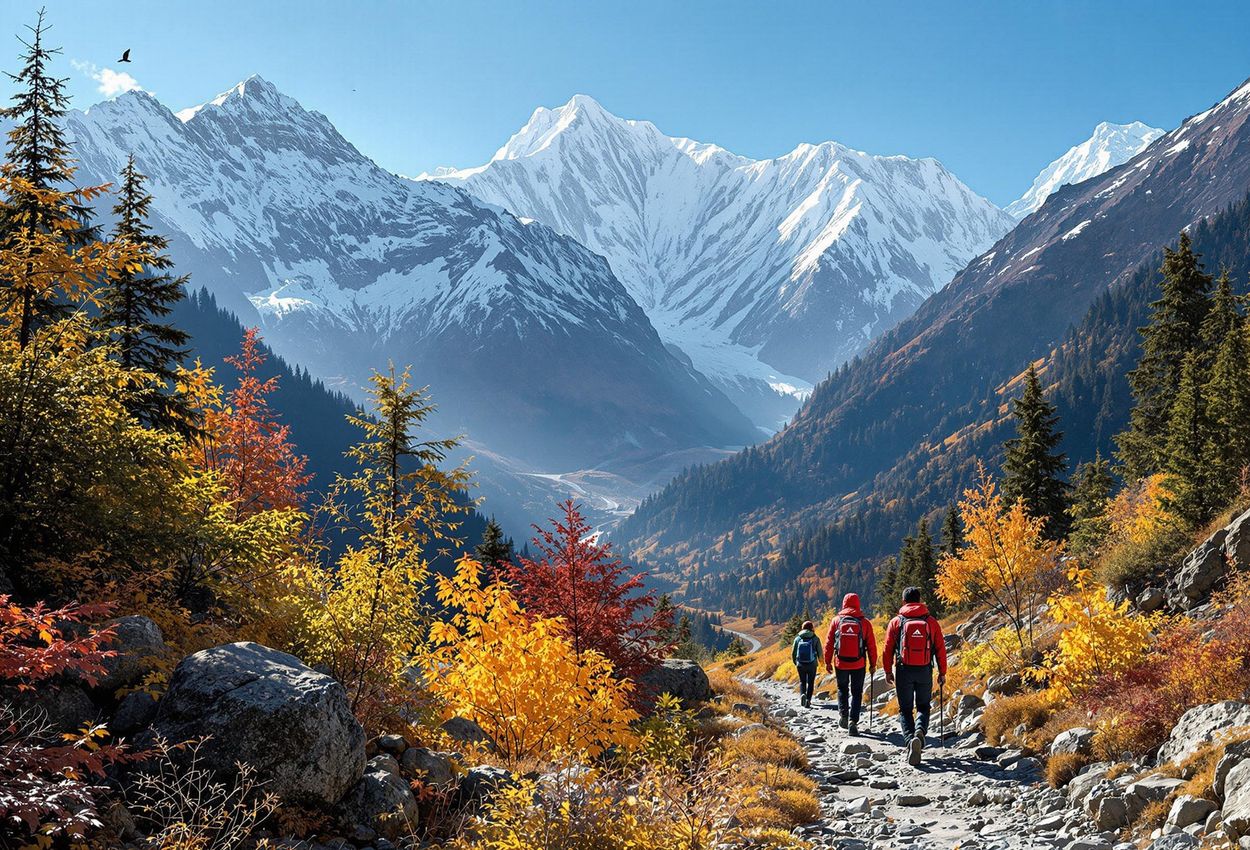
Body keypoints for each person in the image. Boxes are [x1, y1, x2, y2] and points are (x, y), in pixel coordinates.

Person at [882, 586, 947, 766]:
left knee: (905, 709)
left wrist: (887, 671)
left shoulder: (897, 622)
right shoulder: (931, 621)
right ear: (920, 601)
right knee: (923, 706)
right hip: (925, 669)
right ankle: (920, 730)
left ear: (904, 601)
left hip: (904, 669)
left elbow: (887, 649)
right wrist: (942, 672)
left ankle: (911, 741)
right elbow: (940, 648)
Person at [823, 592, 877, 736]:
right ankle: (853, 720)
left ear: (844, 604)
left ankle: (844, 716)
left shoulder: (836, 621)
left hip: (840, 662)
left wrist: (827, 661)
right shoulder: (864, 623)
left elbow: (829, 643)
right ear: (858, 604)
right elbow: (871, 645)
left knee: (842, 689)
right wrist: (873, 664)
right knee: (857, 692)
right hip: (858, 663)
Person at [791, 620, 822, 708]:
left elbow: (793, 652)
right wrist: (822, 663)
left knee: (802, 681)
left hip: (800, 664)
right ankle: (808, 700)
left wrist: (795, 662)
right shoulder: (815, 638)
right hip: (812, 664)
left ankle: (802, 695)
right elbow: (820, 652)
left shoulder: (798, 638)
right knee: (811, 682)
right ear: (812, 627)